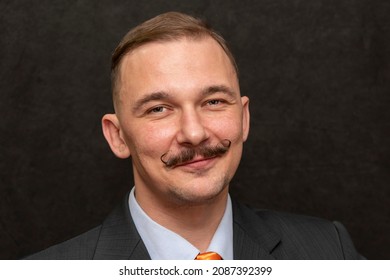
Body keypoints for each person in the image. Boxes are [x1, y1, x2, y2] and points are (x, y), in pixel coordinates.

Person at [26, 11, 363, 260]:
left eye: (213, 101)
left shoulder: (331, 253)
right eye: (159, 108)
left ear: (244, 118)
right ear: (117, 136)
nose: (194, 132)